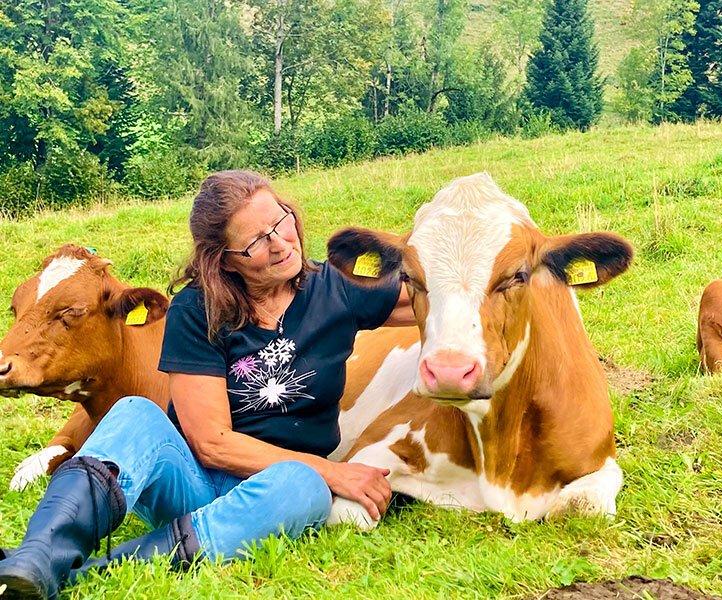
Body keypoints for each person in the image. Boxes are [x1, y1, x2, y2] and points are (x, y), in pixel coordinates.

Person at [0, 170, 414, 599]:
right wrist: (333, 472)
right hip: (194, 481)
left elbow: (430, 298)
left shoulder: (333, 289)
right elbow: (212, 443)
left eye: (281, 220)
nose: (280, 243)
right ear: (224, 258)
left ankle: (92, 573)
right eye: (255, 242)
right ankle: (39, 556)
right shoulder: (198, 310)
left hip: (276, 488)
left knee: (302, 487)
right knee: (136, 413)